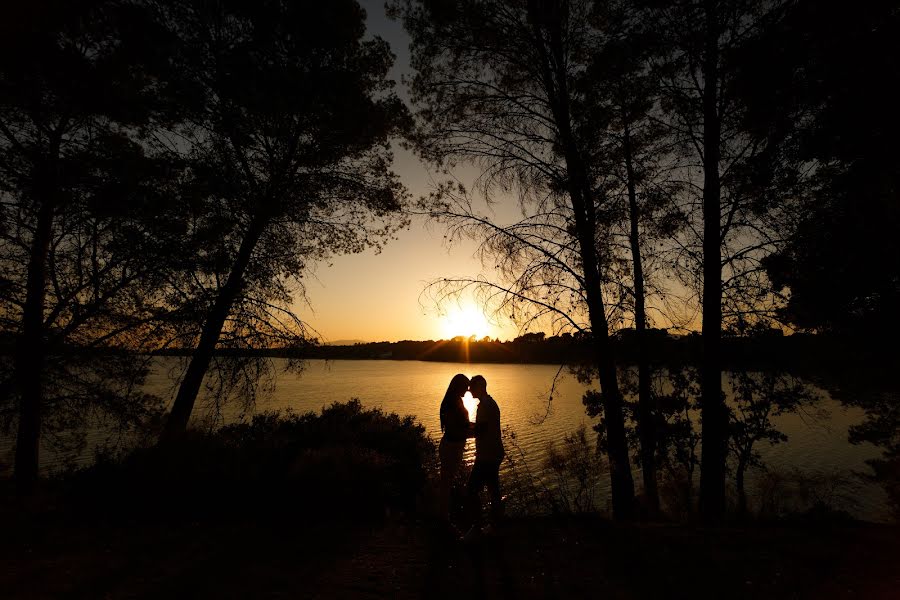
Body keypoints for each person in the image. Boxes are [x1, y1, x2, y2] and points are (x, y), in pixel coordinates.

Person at [464, 374, 504, 540]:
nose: (469, 391)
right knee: (493, 490)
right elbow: (482, 427)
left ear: (480, 387)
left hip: (487, 455)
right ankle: (495, 526)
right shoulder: (489, 403)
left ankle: (477, 527)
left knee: (471, 490)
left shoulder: (485, 406)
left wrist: (460, 432)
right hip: (493, 452)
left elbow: (480, 430)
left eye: (472, 387)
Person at [438, 373, 472, 526]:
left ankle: (444, 517)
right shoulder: (452, 402)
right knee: (446, 484)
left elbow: (462, 424)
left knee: (447, 483)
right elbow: (454, 429)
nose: (468, 390)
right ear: (458, 386)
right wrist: (477, 433)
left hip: (454, 446)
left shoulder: (455, 400)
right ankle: (444, 519)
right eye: (466, 387)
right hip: (450, 447)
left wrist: (477, 426)